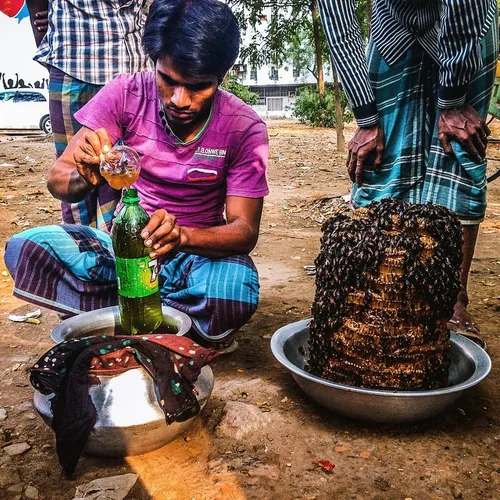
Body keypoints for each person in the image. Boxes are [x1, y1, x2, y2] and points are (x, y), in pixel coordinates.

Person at [5, 0, 269, 351]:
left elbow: (244, 232)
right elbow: (59, 180)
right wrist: (85, 174)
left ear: (221, 77)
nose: (180, 100)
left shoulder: (244, 127)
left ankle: (124, 318)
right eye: (168, 80)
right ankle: (174, 326)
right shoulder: (125, 93)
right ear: (153, 64)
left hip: (197, 257)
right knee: (28, 248)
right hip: (124, 251)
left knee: (234, 289)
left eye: (199, 87)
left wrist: (183, 237)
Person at [317, 0, 498, 346]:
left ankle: (454, 298)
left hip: (470, 22)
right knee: (378, 157)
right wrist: (367, 118)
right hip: (393, 22)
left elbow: (464, 7)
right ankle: (376, 290)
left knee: (459, 146)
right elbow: (339, 25)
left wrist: (452, 97)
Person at [26, 0, 152, 232]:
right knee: (77, 171)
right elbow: (61, 178)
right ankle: (83, 250)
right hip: (74, 62)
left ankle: (121, 249)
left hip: (134, 65)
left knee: (126, 171)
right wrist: (47, 35)